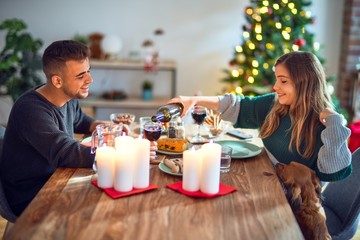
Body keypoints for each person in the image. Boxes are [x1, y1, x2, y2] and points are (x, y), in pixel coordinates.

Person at [0, 40, 157, 217]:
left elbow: (79, 119)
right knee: (110, 206)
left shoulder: (67, 96)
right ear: (57, 81)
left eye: (88, 71)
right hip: (31, 195)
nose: (90, 79)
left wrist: (103, 126)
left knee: (119, 195)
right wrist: (129, 151)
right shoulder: (30, 110)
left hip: (57, 178)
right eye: (80, 75)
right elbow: (67, 153)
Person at [169, 51, 352, 182]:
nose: (275, 87)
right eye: (277, 79)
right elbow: (236, 105)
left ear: (304, 83)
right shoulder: (276, 105)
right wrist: (192, 100)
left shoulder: (323, 125)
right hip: (266, 179)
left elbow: (332, 174)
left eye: (283, 81)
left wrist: (335, 122)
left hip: (291, 205)